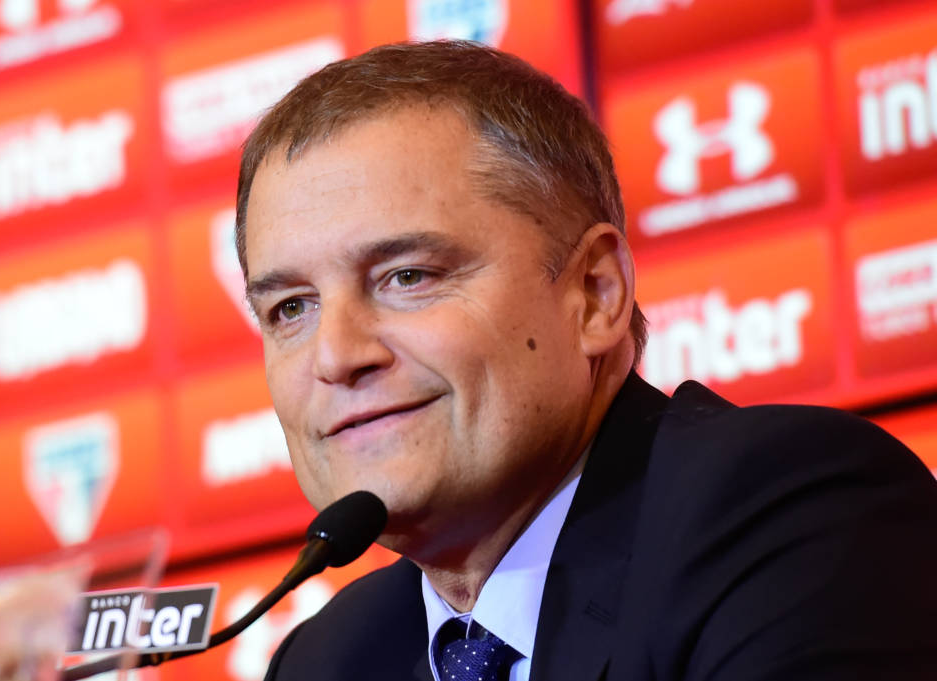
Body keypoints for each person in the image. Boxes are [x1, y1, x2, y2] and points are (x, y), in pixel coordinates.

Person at [234, 41, 937, 680]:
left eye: (407, 276)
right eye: (291, 308)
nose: (337, 355)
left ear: (595, 294)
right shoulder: (328, 659)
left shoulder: (782, 516)